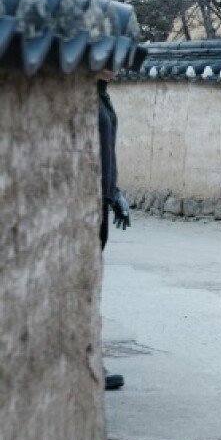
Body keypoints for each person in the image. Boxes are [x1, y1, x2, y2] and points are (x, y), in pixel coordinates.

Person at [98, 68, 131, 391]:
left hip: (101, 201)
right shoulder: (85, 98)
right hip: (90, 201)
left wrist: (115, 192)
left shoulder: (101, 96)